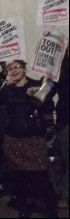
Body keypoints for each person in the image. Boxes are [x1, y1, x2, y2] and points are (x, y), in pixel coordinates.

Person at [0, 59, 58, 218]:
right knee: (19, 177)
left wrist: (37, 95)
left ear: (24, 69)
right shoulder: (7, 89)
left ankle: (51, 210)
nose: (13, 71)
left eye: (16, 67)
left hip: (34, 138)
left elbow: (50, 108)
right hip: (13, 139)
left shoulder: (37, 84)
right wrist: (3, 87)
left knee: (41, 175)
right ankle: (25, 207)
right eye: (10, 69)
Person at [54, 47, 69, 210]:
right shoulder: (60, 70)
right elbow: (49, 88)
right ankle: (64, 193)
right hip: (65, 120)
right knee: (64, 160)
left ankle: (65, 194)